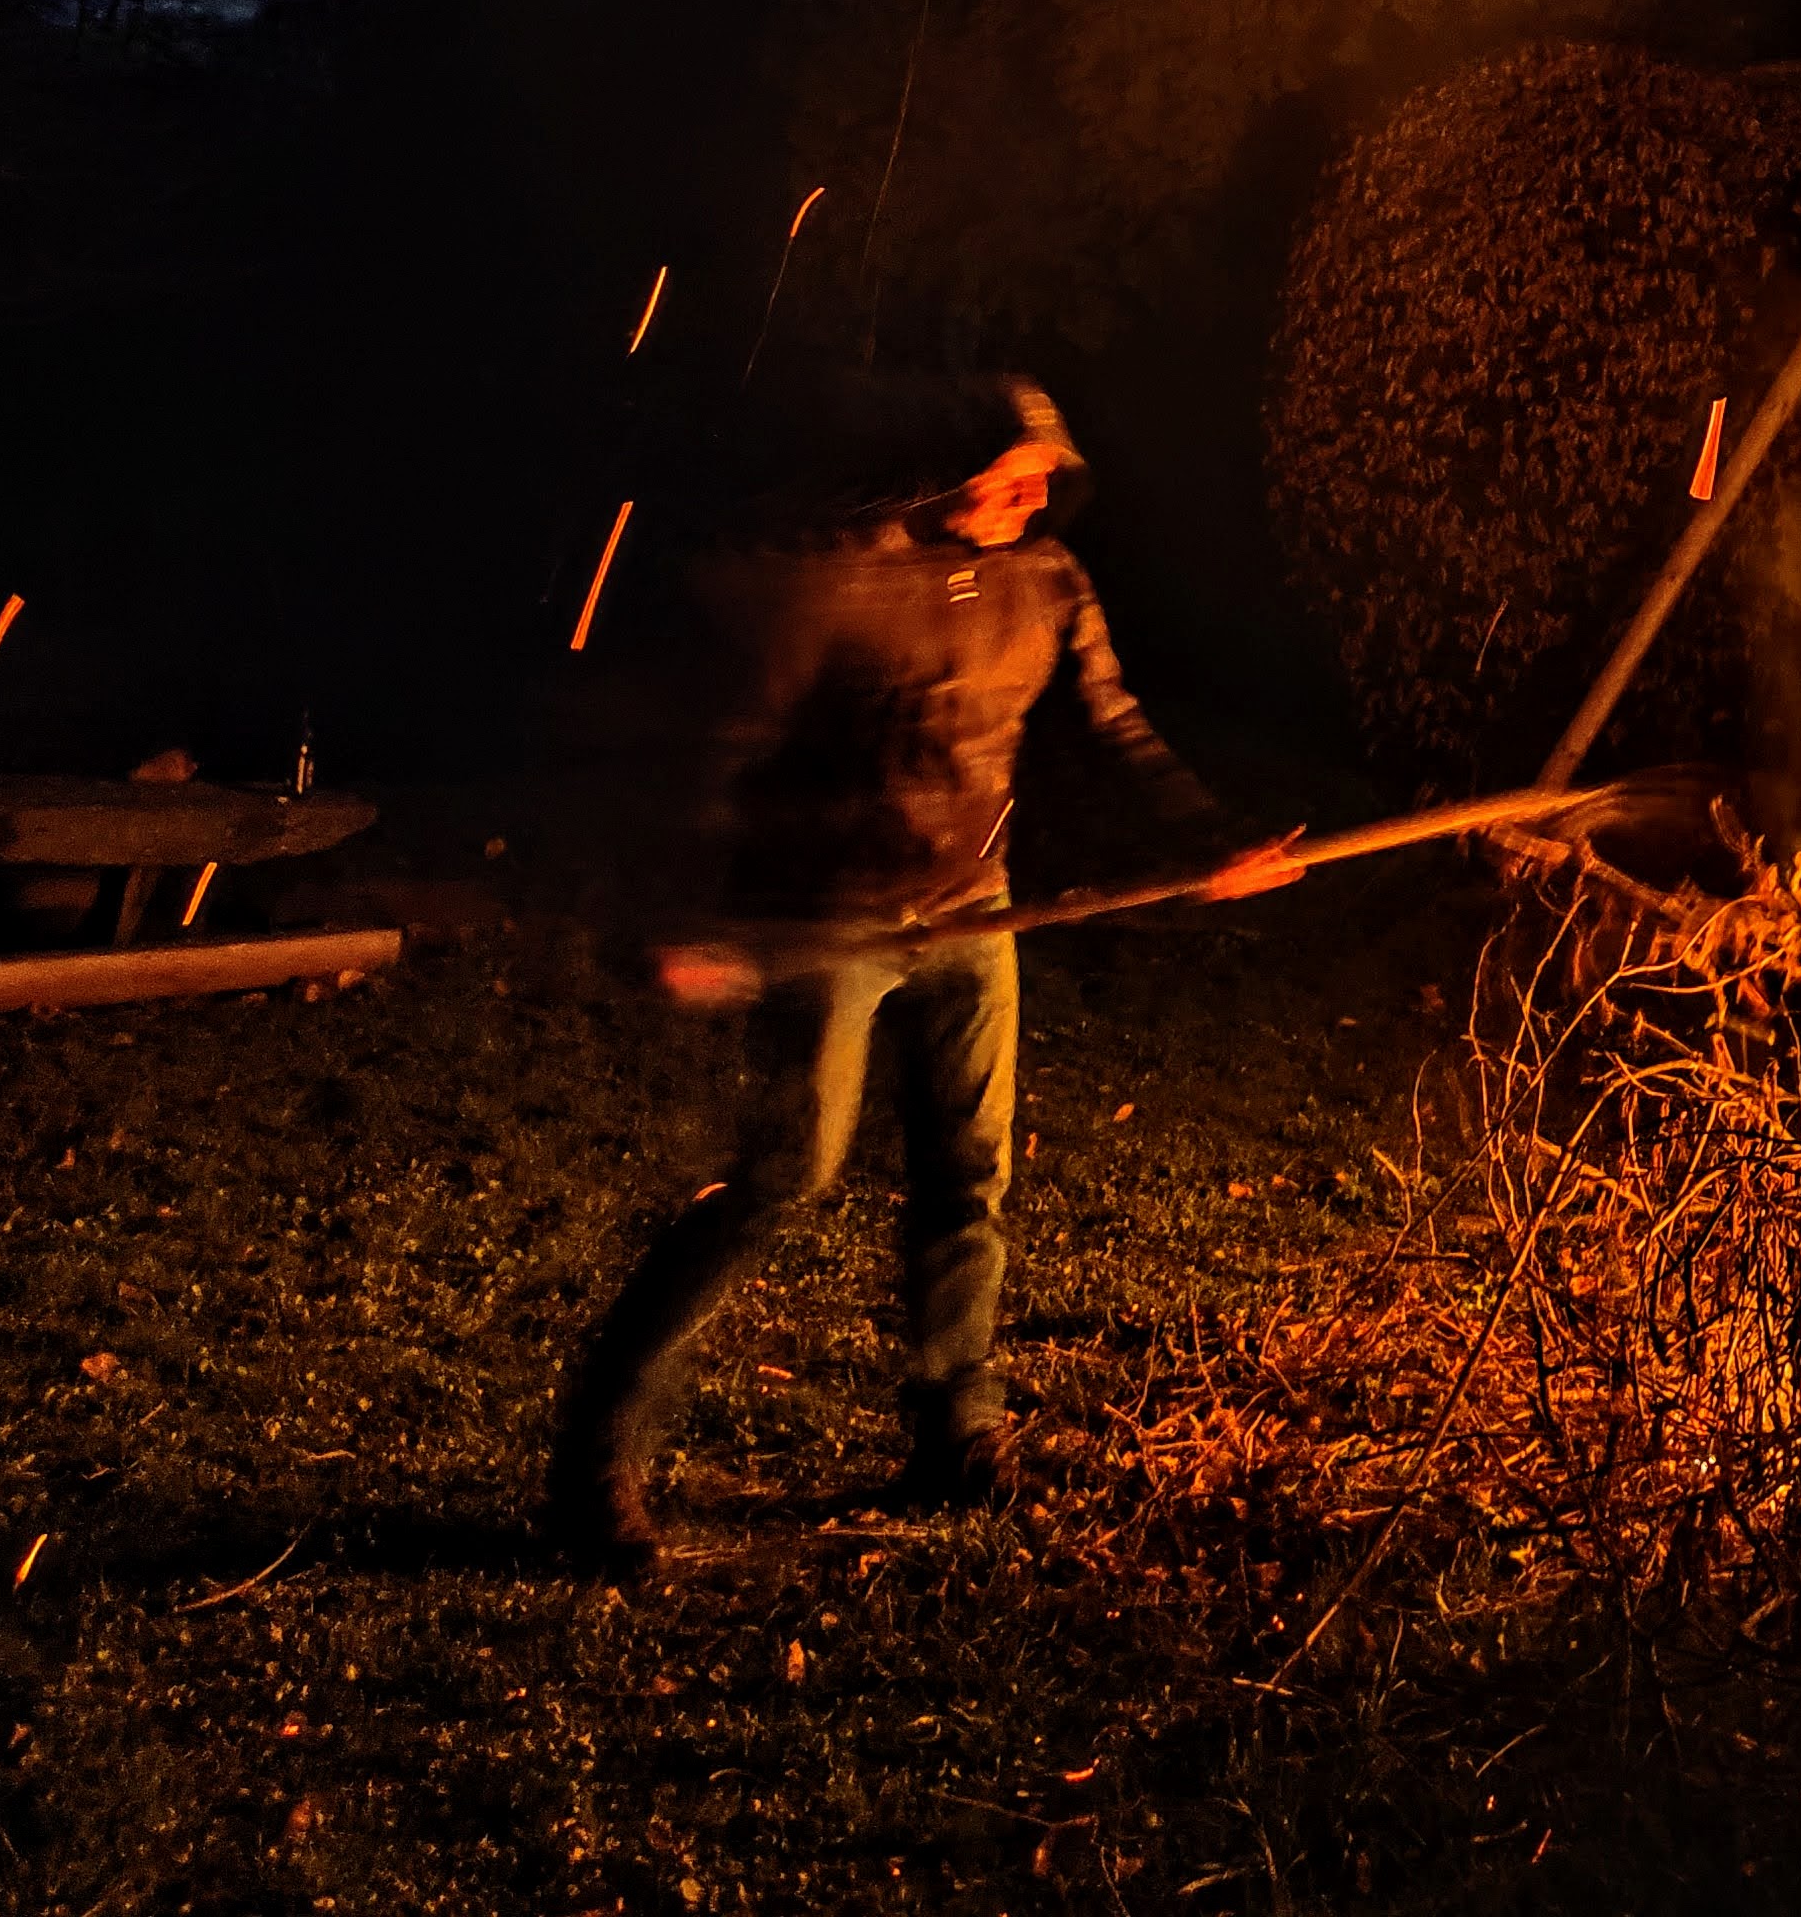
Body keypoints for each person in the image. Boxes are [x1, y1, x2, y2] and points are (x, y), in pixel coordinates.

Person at [545, 376, 1301, 1577]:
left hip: (972, 913)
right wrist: (691, 911)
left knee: (968, 1174)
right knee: (783, 1177)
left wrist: (1207, 840)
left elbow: (1117, 725)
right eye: (1006, 470)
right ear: (940, 469)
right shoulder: (844, 573)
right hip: (830, 919)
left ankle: (959, 1434)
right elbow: (732, 753)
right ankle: (591, 1465)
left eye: (1043, 474)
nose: (1028, 492)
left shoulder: (1048, 583)